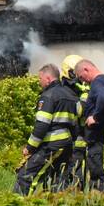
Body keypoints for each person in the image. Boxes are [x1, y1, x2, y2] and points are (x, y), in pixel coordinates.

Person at [13, 64, 81, 196]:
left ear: (48, 78)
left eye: (40, 78)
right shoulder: (71, 95)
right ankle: (58, 205)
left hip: (51, 144)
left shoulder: (48, 96)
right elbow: (75, 124)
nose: (39, 82)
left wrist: (30, 147)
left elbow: (41, 125)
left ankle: (18, 205)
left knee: (25, 176)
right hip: (67, 145)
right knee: (58, 179)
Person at [76, 60, 104, 191]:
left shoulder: (98, 82)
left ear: (86, 69)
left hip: (101, 137)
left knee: (101, 170)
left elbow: (103, 97)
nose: (83, 82)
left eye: (81, 77)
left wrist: (95, 117)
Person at [59, 54, 90, 188]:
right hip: (71, 139)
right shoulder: (65, 91)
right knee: (70, 170)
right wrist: (85, 96)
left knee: (78, 171)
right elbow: (78, 111)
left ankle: (76, 192)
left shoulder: (81, 88)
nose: (78, 76)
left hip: (81, 139)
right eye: (74, 72)